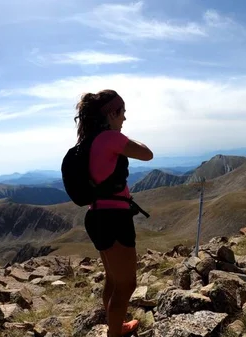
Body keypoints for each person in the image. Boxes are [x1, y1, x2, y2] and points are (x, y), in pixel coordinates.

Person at [73, 89, 153, 337]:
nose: (124, 119)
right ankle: (115, 334)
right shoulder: (109, 138)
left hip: (96, 215)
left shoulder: (89, 140)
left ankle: (114, 327)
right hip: (114, 218)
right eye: (122, 113)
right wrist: (121, 137)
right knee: (127, 284)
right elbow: (147, 154)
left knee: (112, 279)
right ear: (111, 113)